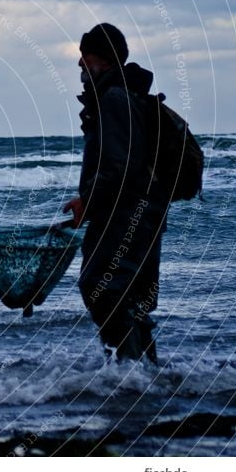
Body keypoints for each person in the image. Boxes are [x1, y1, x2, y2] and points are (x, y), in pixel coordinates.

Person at [63, 23, 169, 363]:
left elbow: (118, 168)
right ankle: (144, 378)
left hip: (126, 217)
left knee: (101, 287)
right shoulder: (125, 95)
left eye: (85, 57)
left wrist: (88, 202)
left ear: (102, 60)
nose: (80, 65)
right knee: (129, 297)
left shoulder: (113, 99)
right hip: (144, 214)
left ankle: (132, 373)